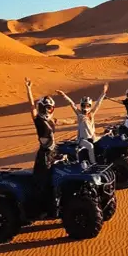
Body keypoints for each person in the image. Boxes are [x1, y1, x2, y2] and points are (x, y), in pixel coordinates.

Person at [25, 78, 74, 213]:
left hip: (53, 152)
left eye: (50, 107)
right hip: (44, 155)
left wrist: (78, 119)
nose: (48, 109)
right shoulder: (38, 120)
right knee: (43, 182)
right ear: (41, 106)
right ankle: (41, 208)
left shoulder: (51, 120)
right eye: (46, 107)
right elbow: (31, 106)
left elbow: (64, 121)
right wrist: (29, 89)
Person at [56, 83, 108, 164]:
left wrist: (103, 93)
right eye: (84, 105)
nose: (85, 108)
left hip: (92, 138)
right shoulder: (79, 115)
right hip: (82, 140)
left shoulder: (91, 114)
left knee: (105, 140)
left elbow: (98, 104)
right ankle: (93, 163)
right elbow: (72, 104)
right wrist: (63, 95)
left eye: (87, 106)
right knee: (90, 147)